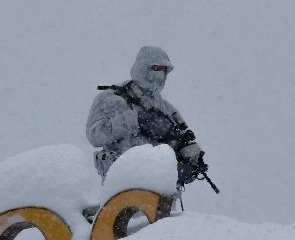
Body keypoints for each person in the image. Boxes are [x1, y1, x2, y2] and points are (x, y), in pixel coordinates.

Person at [86, 46, 208, 188]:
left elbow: (181, 139)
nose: (160, 76)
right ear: (143, 68)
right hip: (122, 187)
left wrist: (190, 161)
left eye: (164, 71)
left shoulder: (167, 108)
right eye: (157, 69)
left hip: (161, 190)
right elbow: (94, 135)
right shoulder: (112, 99)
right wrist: (136, 119)